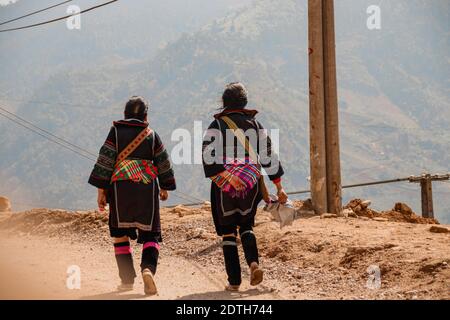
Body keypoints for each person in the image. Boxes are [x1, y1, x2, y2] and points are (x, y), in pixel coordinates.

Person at [202, 82, 288, 291]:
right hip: (250, 182)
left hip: (224, 185)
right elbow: (268, 156)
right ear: (244, 102)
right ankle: (254, 263)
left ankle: (234, 282)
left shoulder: (217, 126)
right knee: (247, 226)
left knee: (229, 232)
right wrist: (279, 187)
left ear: (224, 102)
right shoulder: (255, 125)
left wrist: (229, 177)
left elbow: (207, 155)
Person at [88, 96, 176, 295]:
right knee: (151, 233)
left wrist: (101, 191)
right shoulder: (151, 135)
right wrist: (165, 186)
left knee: (119, 234)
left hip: (120, 190)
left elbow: (105, 161)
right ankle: (148, 269)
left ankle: (127, 281)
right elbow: (163, 162)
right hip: (146, 188)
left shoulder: (116, 132)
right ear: (145, 115)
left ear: (125, 114)